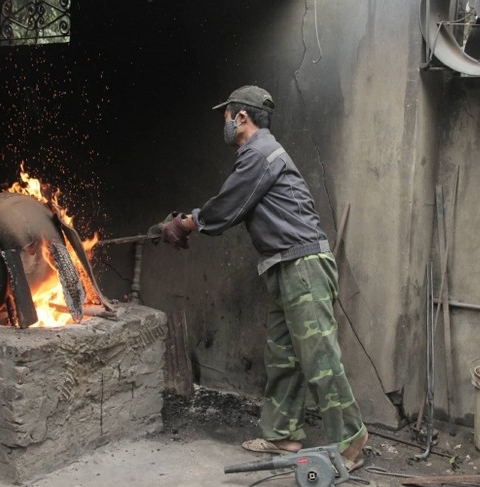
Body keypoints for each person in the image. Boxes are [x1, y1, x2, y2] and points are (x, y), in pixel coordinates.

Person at [156, 85, 367, 469]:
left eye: (226, 115)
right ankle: (283, 435)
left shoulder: (258, 153)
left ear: (241, 117)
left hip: (303, 267)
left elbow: (227, 206)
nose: (222, 122)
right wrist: (189, 223)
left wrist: (186, 223)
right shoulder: (259, 153)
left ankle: (350, 441)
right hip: (285, 266)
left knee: (318, 356)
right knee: (284, 357)